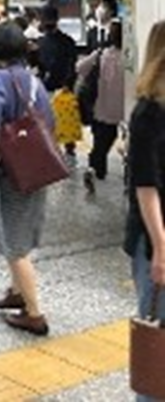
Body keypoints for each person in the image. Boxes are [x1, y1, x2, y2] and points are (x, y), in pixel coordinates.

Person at [0, 23, 54, 337]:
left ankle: (34, 314)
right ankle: (16, 291)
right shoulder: (34, 80)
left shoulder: (0, 77)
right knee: (21, 229)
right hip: (40, 164)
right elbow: (49, 120)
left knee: (14, 241)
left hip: (15, 169)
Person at [124, 20, 165, 402]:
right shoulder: (148, 114)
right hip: (154, 241)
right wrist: (161, 249)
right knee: (157, 335)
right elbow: (145, 186)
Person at [76, 21, 125, 193]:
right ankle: (99, 169)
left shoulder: (100, 54)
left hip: (99, 105)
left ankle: (95, 169)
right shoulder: (129, 58)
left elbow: (79, 68)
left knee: (100, 139)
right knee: (112, 138)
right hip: (123, 107)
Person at [36, 5, 79, 168]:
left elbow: (72, 66)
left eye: (48, 20)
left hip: (63, 87)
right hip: (46, 88)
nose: (46, 23)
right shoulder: (40, 42)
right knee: (47, 122)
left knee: (66, 122)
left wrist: (68, 83)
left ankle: (69, 151)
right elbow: (38, 66)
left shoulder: (67, 42)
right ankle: (51, 151)